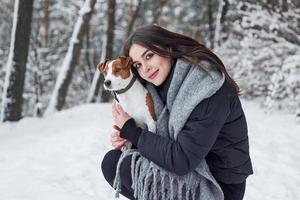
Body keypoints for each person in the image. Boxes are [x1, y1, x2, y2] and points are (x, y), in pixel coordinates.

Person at [101, 24, 253, 200]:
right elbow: (162, 137)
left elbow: (182, 160)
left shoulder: (206, 86)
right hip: (189, 169)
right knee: (115, 161)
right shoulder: (159, 87)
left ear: (167, 48)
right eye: (138, 64)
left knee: (116, 164)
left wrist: (134, 133)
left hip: (218, 184)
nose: (145, 68)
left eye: (149, 56)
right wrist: (129, 138)